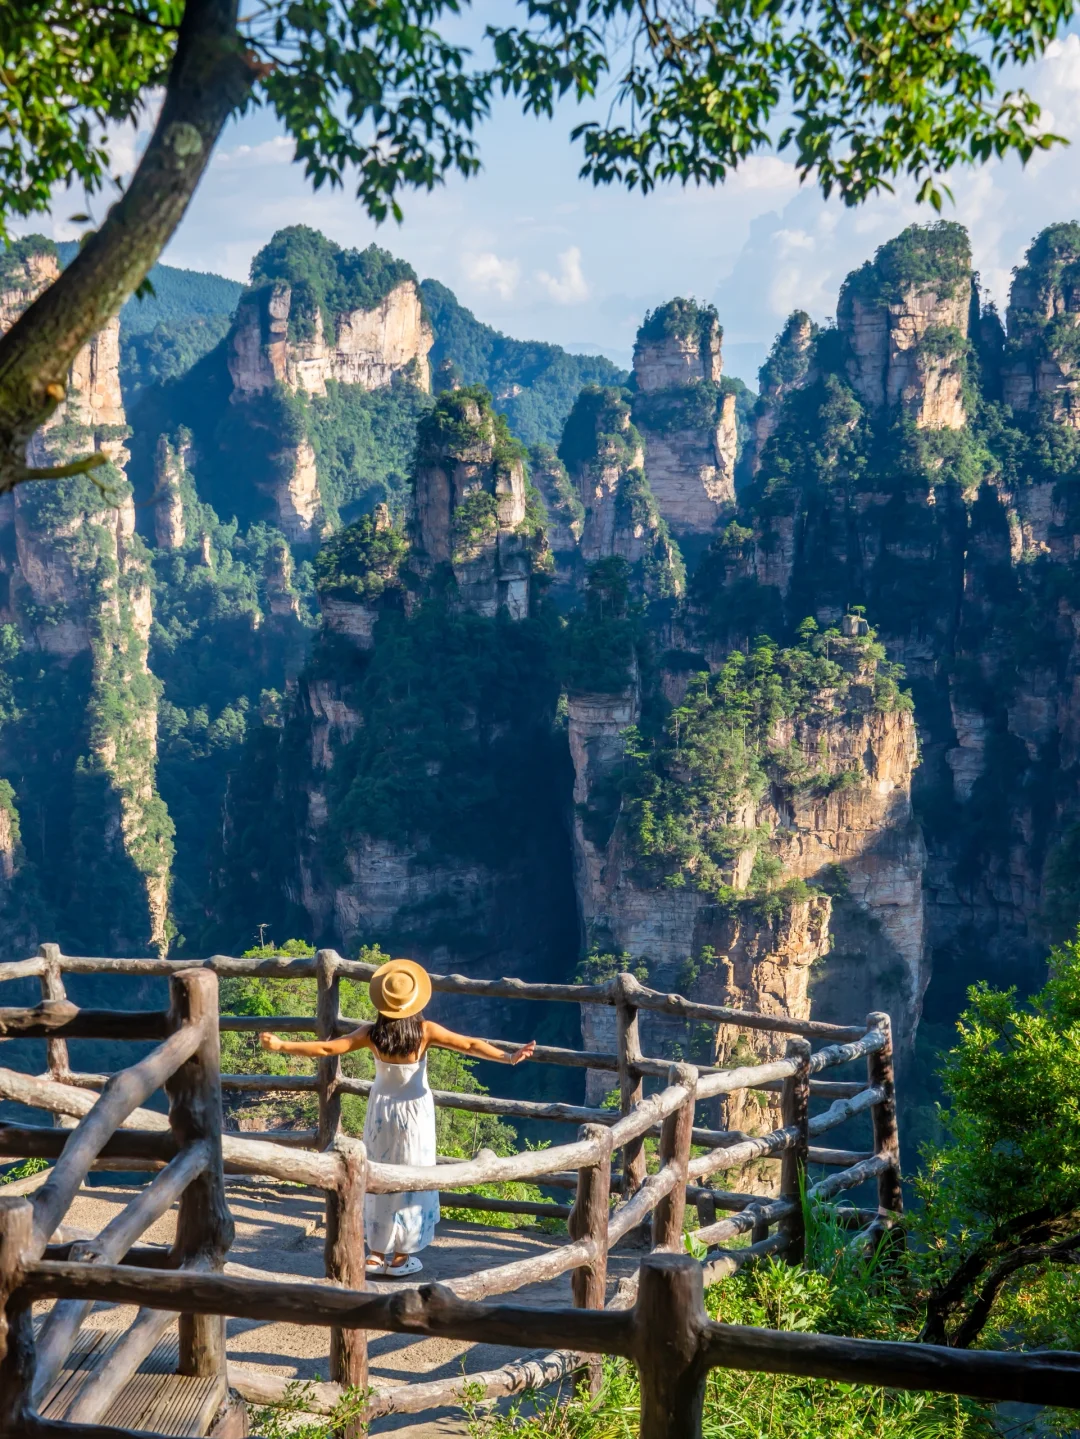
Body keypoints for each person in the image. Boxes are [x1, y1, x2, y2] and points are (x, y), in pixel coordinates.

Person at [260, 957, 536, 1277]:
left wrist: (282, 1045)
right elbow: (471, 1044)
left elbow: (326, 1049)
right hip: (415, 1112)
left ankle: (376, 1254)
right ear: (415, 1001)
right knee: (412, 1176)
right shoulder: (425, 1031)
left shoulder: (370, 1034)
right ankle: (402, 1257)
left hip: (381, 1112)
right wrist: (509, 1057)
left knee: (379, 1173)